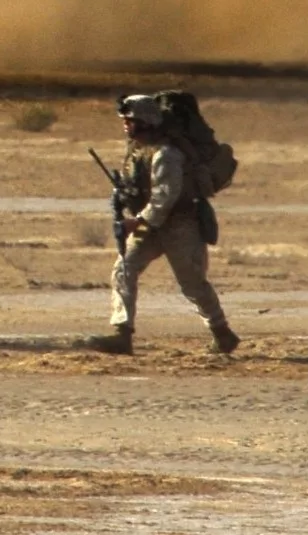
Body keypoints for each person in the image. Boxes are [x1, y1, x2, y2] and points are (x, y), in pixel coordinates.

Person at [87, 92, 238, 355]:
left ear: (144, 121)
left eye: (129, 120)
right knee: (124, 268)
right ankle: (122, 333)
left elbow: (164, 197)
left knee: (192, 284)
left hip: (181, 224)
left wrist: (136, 221)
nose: (125, 125)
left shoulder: (166, 155)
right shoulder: (137, 151)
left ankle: (221, 332)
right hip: (151, 225)